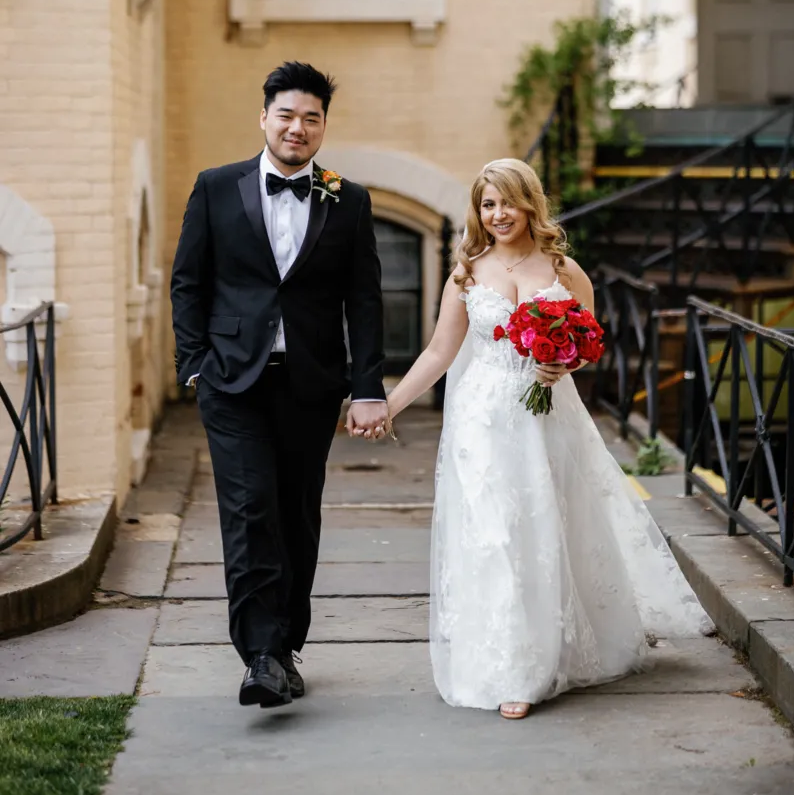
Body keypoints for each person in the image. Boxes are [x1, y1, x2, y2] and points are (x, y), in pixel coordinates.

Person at [384, 158, 712, 719]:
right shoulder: (466, 272)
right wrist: (387, 406)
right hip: (482, 422)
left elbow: (587, 341)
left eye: (508, 201)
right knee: (494, 535)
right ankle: (508, 664)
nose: (498, 213)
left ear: (530, 204)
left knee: (544, 526)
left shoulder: (564, 269)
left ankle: (541, 657)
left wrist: (564, 362)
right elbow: (440, 352)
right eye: (488, 204)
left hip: (545, 415)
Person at [171, 62, 388, 709]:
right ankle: (260, 655)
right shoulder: (215, 187)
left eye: (311, 118)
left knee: (296, 513)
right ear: (263, 117)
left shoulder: (347, 199)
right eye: (286, 115)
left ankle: (287, 644)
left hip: (311, 384)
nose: (298, 127)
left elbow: (365, 300)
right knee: (249, 512)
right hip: (231, 382)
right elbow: (189, 281)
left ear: (323, 126)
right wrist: (194, 362)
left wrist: (367, 385)